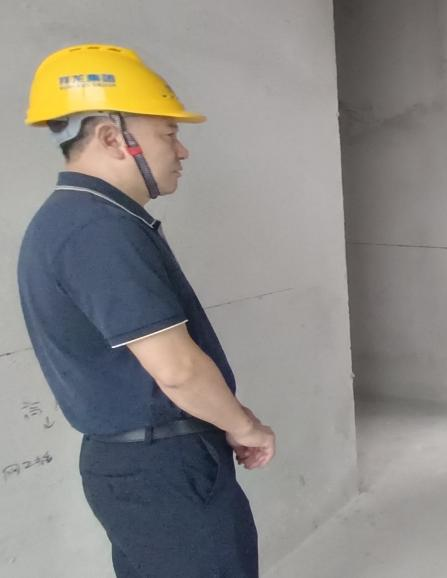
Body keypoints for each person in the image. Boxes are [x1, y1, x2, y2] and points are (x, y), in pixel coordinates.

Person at [17, 44, 276, 577]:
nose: (182, 150)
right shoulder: (98, 230)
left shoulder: (76, 219)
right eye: (168, 133)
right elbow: (176, 369)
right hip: (164, 469)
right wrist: (245, 425)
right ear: (113, 138)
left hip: (143, 467)